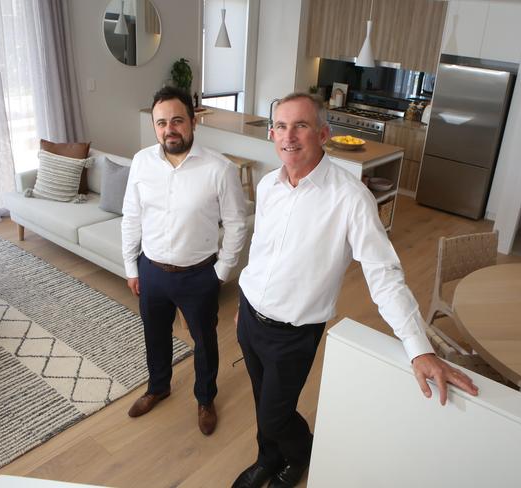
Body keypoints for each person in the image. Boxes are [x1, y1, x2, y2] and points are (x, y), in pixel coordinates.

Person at [232, 93, 479, 488]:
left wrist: (420, 348)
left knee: (275, 413)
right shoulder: (268, 186)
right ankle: (268, 457)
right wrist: (246, 300)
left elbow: (384, 275)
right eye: (280, 125)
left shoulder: (350, 199)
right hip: (251, 317)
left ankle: (298, 456)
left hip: (292, 334)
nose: (288, 136)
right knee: (263, 400)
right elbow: (261, 250)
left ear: (324, 133)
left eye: (300, 125)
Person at [121, 86, 248, 436]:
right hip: (151, 270)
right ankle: (158, 386)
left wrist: (220, 272)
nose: (169, 129)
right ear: (154, 126)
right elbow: (131, 216)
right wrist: (132, 267)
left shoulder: (219, 169)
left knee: (204, 340)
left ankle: (205, 398)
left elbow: (237, 224)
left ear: (193, 122)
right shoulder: (142, 162)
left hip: (199, 275)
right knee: (155, 334)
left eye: (177, 120)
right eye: (161, 122)